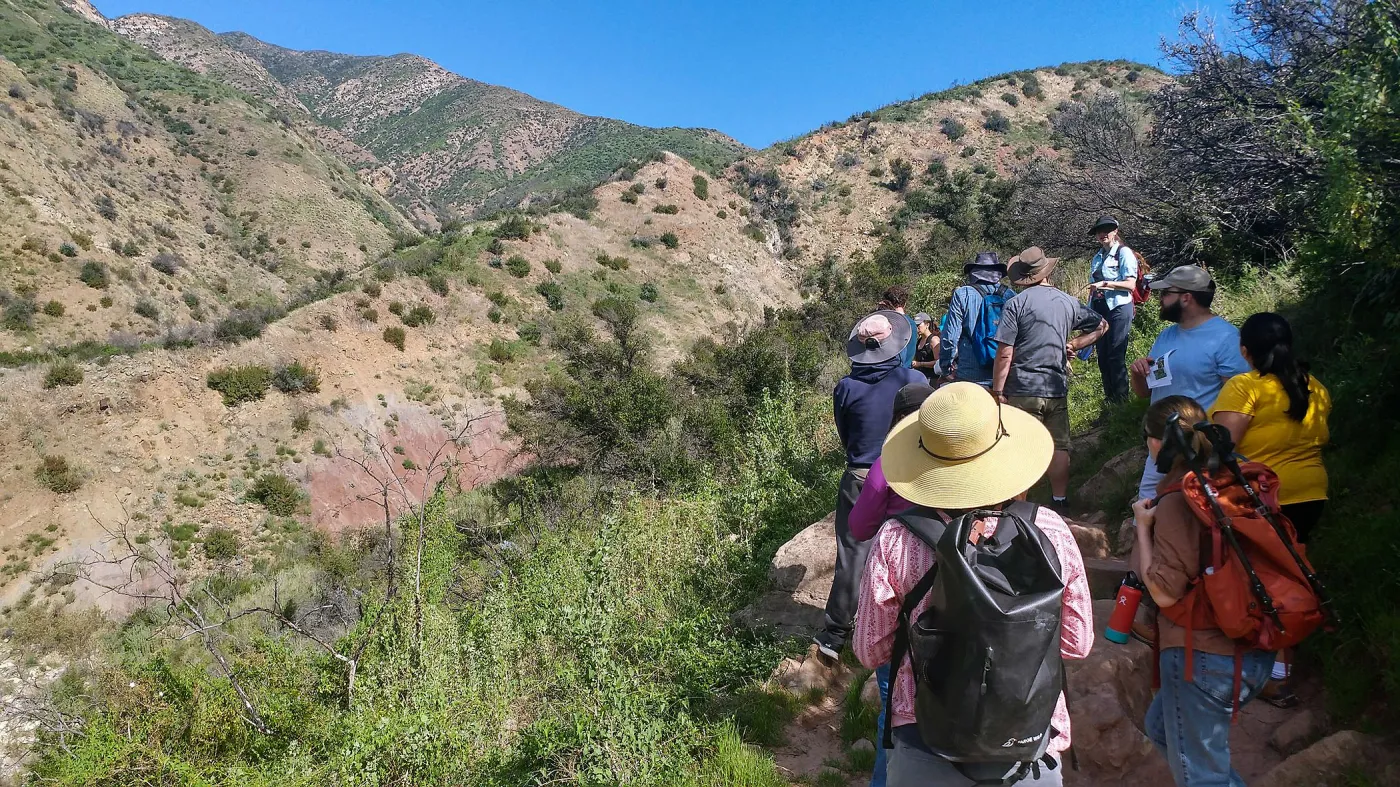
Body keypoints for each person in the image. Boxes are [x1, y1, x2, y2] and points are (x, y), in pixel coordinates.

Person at [854, 382, 1094, 786]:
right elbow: (1076, 643)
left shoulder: (897, 539)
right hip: (1027, 742)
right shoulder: (1050, 532)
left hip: (926, 739)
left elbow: (869, 651)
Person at [1132, 395, 1275, 787]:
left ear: (1156, 442)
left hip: (1205, 657)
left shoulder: (1178, 499)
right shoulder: (1231, 478)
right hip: (1255, 641)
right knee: (1161, 728)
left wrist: (1142, 528)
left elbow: (1164, 593)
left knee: (1201, 778)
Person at [1209, 312, 1331, 706]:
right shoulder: (1314, 386)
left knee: (1264, 580)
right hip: (1311, 493)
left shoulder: (1245, 387)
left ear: (1245, 351)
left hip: (1265, 497)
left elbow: (1221, 447)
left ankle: (1272, 672)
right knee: (1293, 573)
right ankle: (1284, 664)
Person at [819, 312, 926, 661]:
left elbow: (845, 435)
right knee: (910, 550)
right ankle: (907, 623)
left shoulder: (846, 387)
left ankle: (835, 635)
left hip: (862, 474)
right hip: (908, 474)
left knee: (852, 554)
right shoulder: (914, 378)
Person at [845, 381, 935, 787]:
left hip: (907, 600)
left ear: (896, 420)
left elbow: (860, 525)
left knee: (894, 709)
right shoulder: (960, 459)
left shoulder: (888, 464)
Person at [992, 247, 1108, 513]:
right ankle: (1059, 501)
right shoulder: (1068, 302)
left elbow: (1005, 353)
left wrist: (998, 390)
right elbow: (1102, 325)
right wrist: (1076, 343)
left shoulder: (1016, 304)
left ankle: (1017, 507)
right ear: (1045, 271)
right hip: (1055, 386)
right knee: (1058, 446)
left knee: (1020, 447)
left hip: (1022, 387)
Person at [1129, 266, 1251, 500]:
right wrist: (1137, 374)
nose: (1160, 299)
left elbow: (1237, 402)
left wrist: (1218, 450)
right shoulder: (1166, 336)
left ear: (1186, 298)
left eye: (1166, 293)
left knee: (1192, 514)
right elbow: (1145, 393)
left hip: (1199, 451)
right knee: (1146, 511)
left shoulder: (1226, 338)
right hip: (1159, 447)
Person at [1087, 216, 1140, 405]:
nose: (1103, 234)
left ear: (1115, 231)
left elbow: (1130, 284)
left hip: (1119, 307)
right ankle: (1109, 401)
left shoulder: (1124, 253)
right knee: (1102, 355)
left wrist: (1105, 284)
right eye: (1099, 231)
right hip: (1099, 309)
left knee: (1116, 354)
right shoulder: (1097, 257)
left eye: (1107, 230)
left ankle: (1122, 401)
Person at [938, 252, 1012, 387]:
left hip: (970, 374)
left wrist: (945, 367)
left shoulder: (962, 294)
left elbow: (950, 337)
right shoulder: (1010, 295)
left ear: (974, 272)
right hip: (1003, 375)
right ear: (998, 272)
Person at [879, 285, 920, 370]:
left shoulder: (884, 323)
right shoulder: (912, 324)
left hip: (887, 371)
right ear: (904, 304)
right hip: (906, 372)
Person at [909, 314, 941, 383]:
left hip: (932, 379)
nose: (917, 328)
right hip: (920, 378)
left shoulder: (934, 340)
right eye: (915, 325)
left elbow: (938, 362)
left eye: (919, 325)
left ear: (927, 325)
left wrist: (920, 364)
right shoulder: (919, 340)